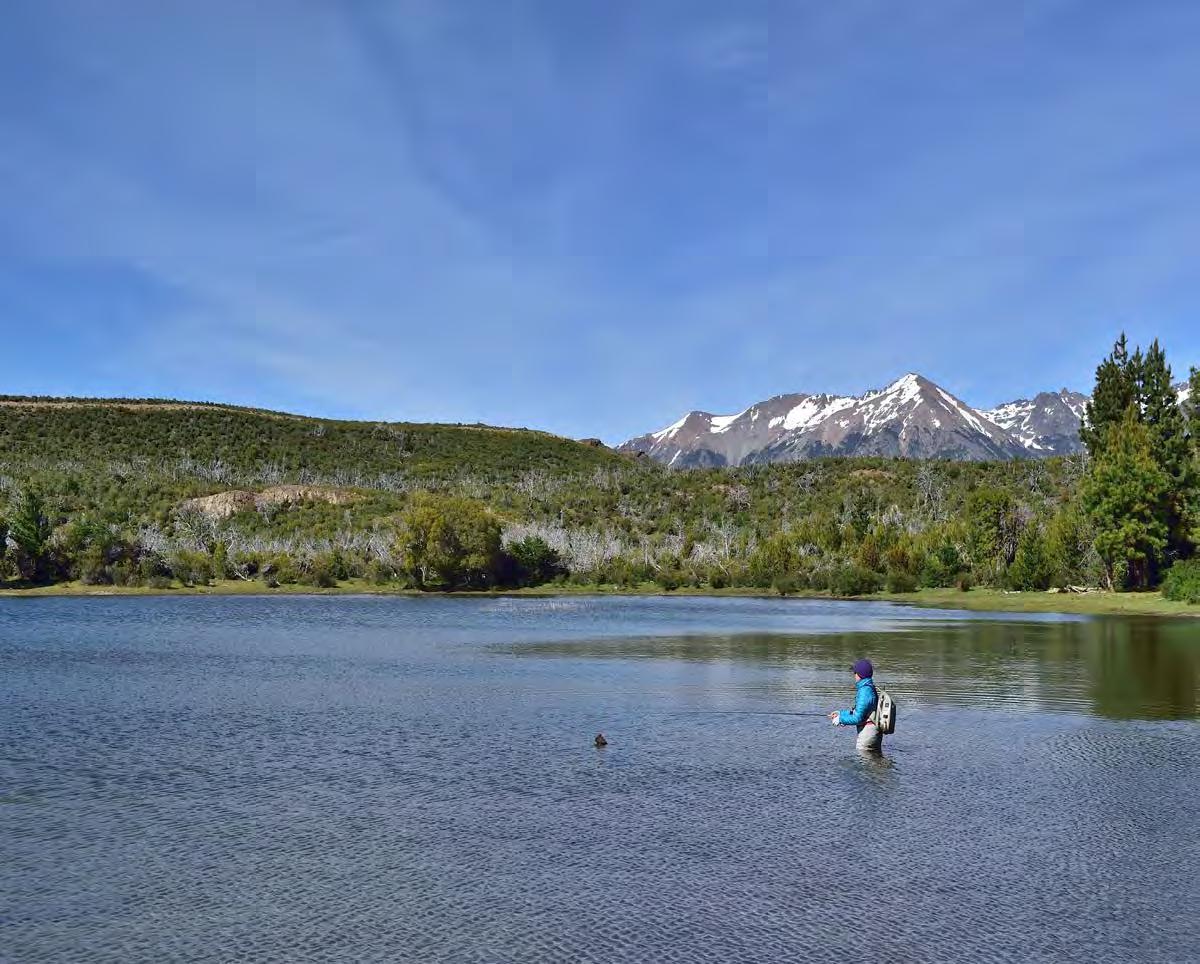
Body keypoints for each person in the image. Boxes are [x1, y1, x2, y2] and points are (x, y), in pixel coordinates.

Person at [828, 658, 882, 752]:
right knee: (873, 758)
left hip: (868, 734)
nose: (854, 675)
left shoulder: (865, 692)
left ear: (860, 675)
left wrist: (840, 719)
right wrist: (840, 714)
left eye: (855, 673)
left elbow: (858, 718)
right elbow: (860, 712)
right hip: (872, 731)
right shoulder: (868, 688)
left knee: (864, 759)